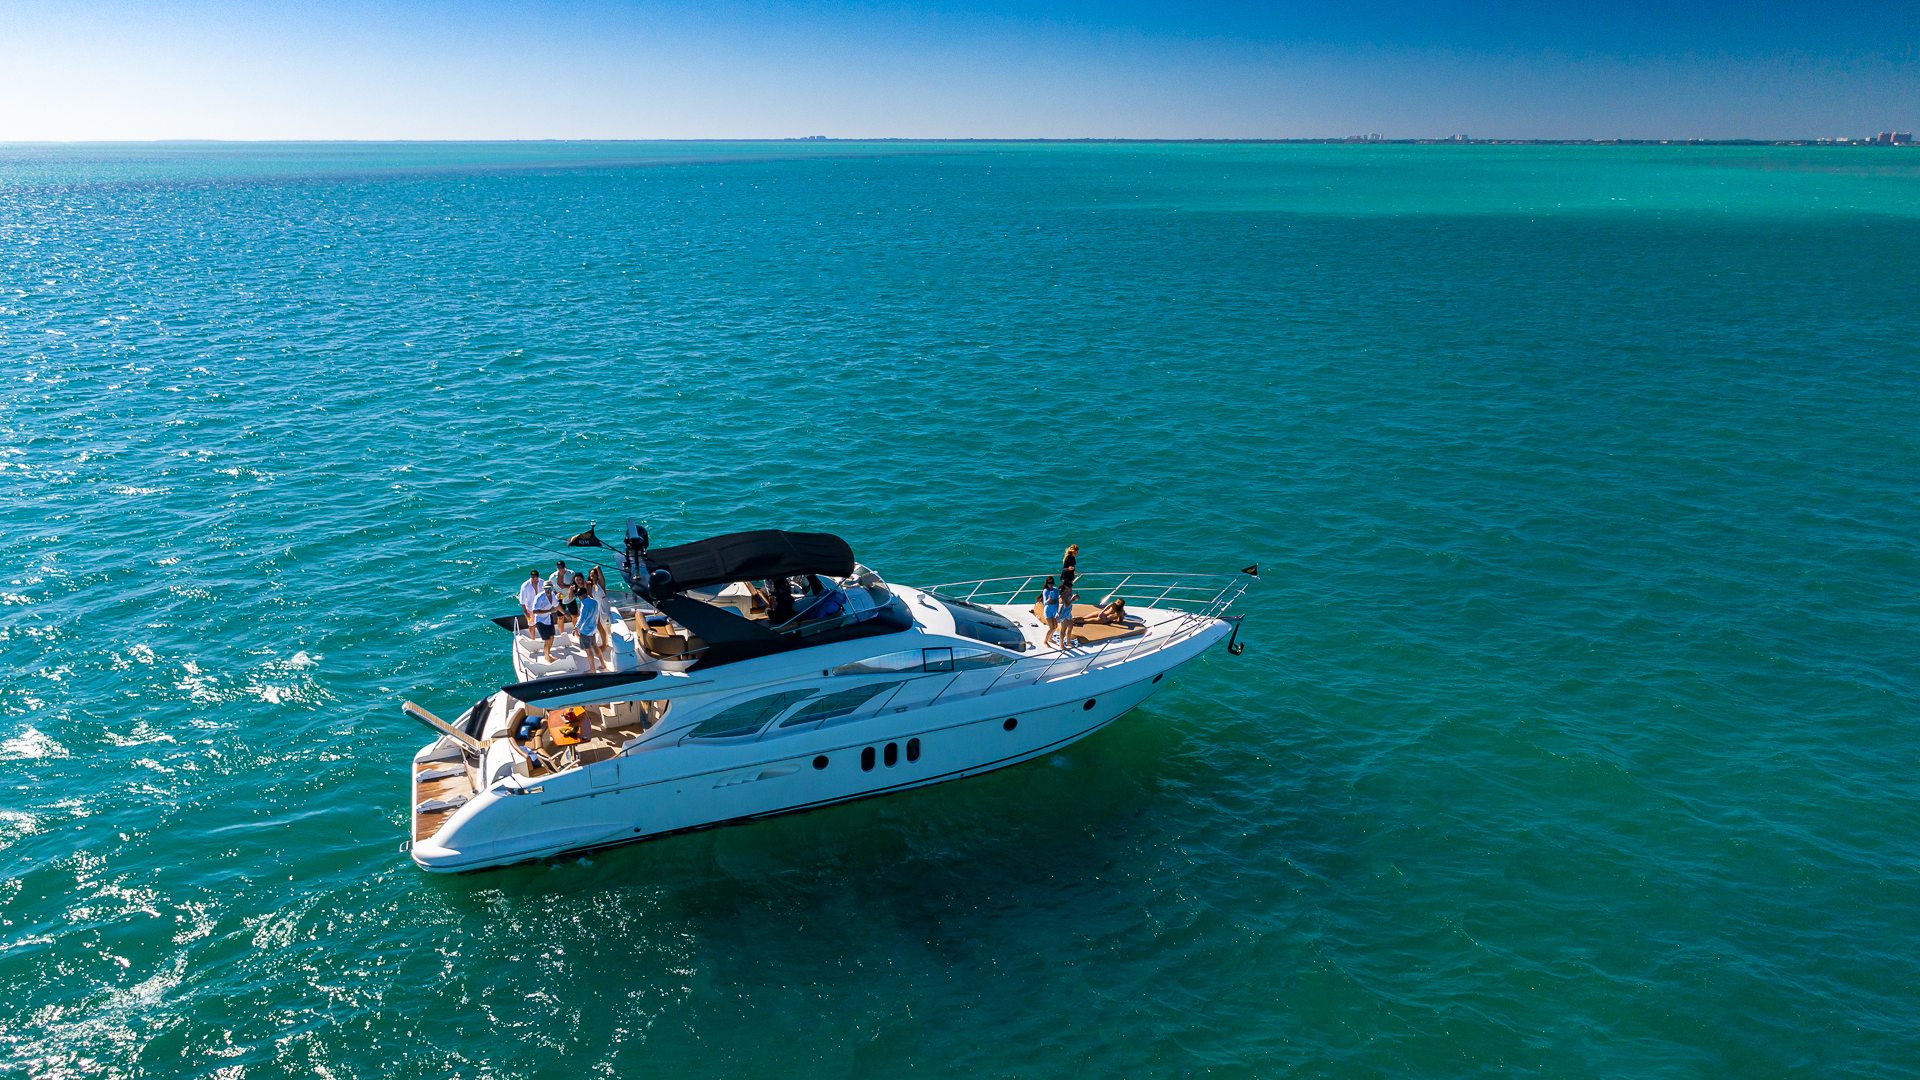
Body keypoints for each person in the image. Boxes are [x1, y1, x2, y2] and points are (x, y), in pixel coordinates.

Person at [576, 584, 605, 672]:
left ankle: (592, 669)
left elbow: (582, 618)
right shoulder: (594, 601)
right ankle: (603, 664)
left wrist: (576, 628)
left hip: (585, 631)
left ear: (582, 595)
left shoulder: (584, 604)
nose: (579, 598)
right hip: (593, 629)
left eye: (579, 596)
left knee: (588, 651)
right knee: (595, 646)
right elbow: (596, 614)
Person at [531, 582, 560, 662]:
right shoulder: (539, 597)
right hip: (540, 620)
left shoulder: (553, 595)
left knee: (552, 637)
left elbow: (557, 605)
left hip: (548, 618)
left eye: (550, 588)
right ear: (544, 588)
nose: (549, 590)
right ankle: (547, 656)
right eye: (547, 588)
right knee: (547, 639)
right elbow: (534, 611)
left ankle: (548, 653)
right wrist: (549, 610)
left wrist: (565, 614)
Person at [546, 561, 574, 633]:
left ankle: (576, 632)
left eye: (562, 567)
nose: (560, 569)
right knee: (560, 617)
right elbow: (550, 588)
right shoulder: (552, 577)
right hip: (559, 599)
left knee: (574, 615)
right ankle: (562, 633)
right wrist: (556, 594)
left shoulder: (571, 574)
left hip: (569, 596)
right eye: (559, 568)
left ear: (565, 567)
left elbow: (575, 585)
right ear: (557, 568)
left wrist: (565, 586)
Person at [517, 569, 542, 641]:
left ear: (538, 577)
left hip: (541, 608)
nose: (534, 579)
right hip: (530, 609)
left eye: (536, 578)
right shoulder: (525, 586)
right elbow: (522, 601)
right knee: (531, 625)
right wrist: (525, 612)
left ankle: (545, 637)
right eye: (533, 578)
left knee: (543, 623)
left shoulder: (542, 582)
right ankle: (533, 639)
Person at [1039, 576, 1062, 648]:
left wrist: (1057, 611)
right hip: (1048, 611)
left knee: (1056, 626)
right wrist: (1049, 600)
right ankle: (1045, 641)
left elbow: (1057, 602)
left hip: (1054, 611)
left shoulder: (1055, 590)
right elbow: (1045, 603)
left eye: (1052, 583)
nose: (1050, 584)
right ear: (1047, 583)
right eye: (1049, 583)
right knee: (1051, 627)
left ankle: (1049, 638)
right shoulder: (1046, 591)